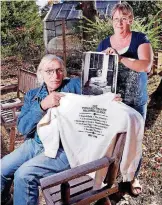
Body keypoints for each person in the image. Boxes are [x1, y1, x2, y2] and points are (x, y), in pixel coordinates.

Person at [1, 54, 122, 205]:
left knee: (23, 175)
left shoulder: (75, 86)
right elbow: (23, 127)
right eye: (49, 71)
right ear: (41, 74)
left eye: (59, 70)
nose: (55, 75)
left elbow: (98, 90)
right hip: (36, 144)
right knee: (2, 168)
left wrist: (108, 98)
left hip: (64, 149)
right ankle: (5, 200)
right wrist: (42, 106)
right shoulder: (33, 95)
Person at [97, 2, 154, 195]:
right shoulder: (104, 43)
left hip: (136, 99)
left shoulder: (140, 39)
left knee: (134, 139)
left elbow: (145, 65)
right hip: (115, 101)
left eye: (123, 18)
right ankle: (108, 177)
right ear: (111, 21)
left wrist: (120, 59)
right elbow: (98, 73)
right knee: (112, 140)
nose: (119, 22)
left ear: (130, 19)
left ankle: (132, 177)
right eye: (116, 19)